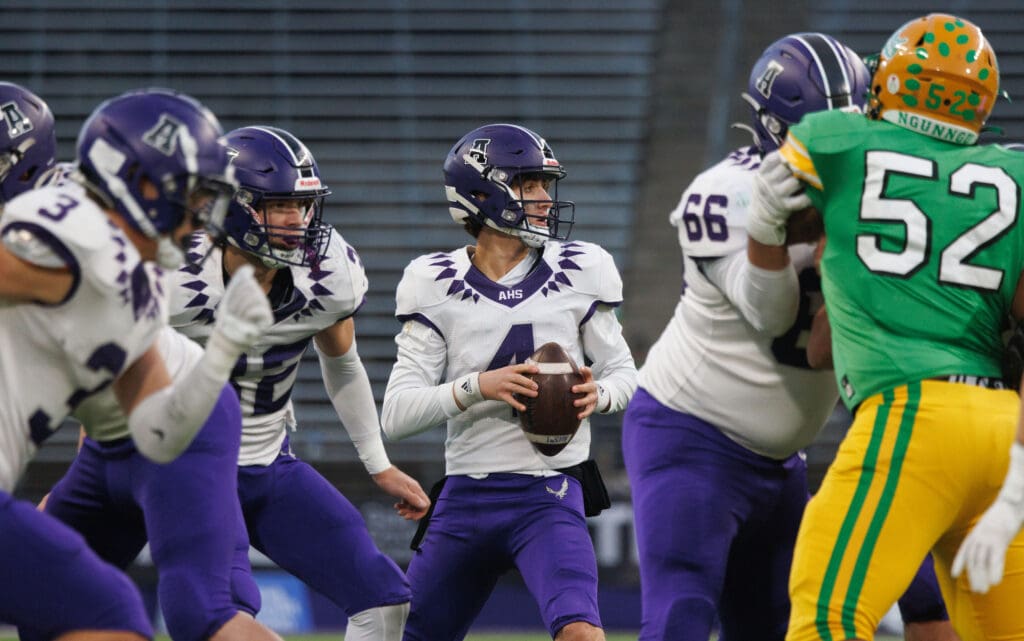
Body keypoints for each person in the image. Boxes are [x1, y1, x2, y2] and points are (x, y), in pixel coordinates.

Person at [621, 32, 959, 641]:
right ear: (774, 127)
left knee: (776, 627)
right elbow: (771, 316)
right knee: (681, 615)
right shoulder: (725, 192)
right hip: (692, 434)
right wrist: (768, 227)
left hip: (783, 460)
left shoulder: (878, 189)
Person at [744, 14, 1024, 641]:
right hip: (1006, 433)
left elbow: (783, 228)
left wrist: (763, 232)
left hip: (913, 414)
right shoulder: (1015, 175)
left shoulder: (835, 139)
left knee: (827, 617)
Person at [0, 87, 272, 640]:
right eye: (190, 196)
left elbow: (157, 433)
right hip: (107, 438)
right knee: (98, 613)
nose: (199, 218)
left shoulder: (132, 276)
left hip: (170, 418)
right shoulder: (75, 225)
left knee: (157, 611)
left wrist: (224, 349)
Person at [168, 125, 429, 641]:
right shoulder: (170, 278)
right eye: (279, 206)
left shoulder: (329, 270)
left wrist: (378, 464)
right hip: (188, 471)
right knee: (229, 618)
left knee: (384, 602)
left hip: (269, 463)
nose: (297, 222)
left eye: (303, 205)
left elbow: (344, 363)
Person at [381, 122, 638, 641]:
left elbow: (625, 374)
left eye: (545, 184)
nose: (545, 198)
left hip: (549, 493)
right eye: (528, 184)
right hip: (465, 498)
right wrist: (481, 385)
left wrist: (601, 395)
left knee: (581, 632)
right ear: (483, 194)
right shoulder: (433, 281)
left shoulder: (582, 268)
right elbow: (397, 415)